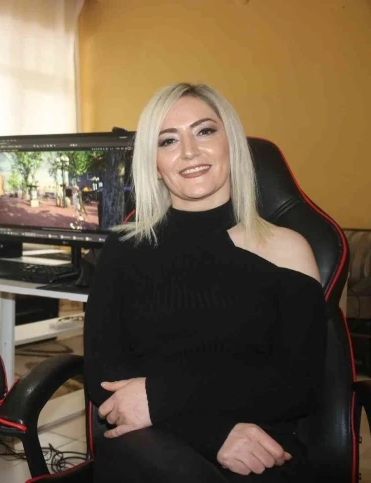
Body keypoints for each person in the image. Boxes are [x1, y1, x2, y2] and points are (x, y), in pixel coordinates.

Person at [83, 83, 326, 482]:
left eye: (205, 131)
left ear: (231, 143)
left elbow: (300, 385)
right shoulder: (123, 249)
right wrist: (213, 434)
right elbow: (104, 379)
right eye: (168, 140)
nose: (189, 152)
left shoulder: (287, 249)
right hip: (151, 443)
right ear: (154, 163)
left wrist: (161, 395)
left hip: (260, 446)